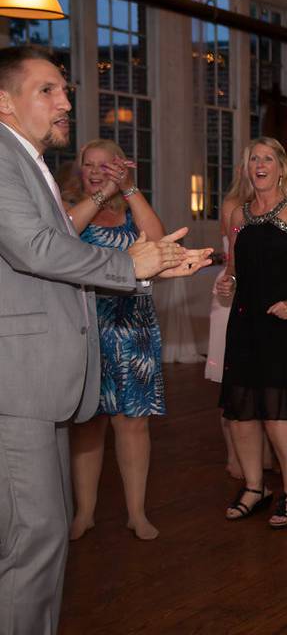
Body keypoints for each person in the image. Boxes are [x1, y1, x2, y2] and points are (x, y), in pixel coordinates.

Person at [0, 46, 210, 634]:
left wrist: (154, 264)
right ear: (4, 102)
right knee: (33, 537)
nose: (65, 100)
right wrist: (130, 268)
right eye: (47, 90)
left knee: (36, 536)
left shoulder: (27, 159)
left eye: (64, 89)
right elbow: (35, 248)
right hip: (19, 379)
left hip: (38, 376)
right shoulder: (1, 155)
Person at [61, 139, 167, 542]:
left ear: (120, 167)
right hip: (89, 328)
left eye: (104, 165)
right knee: (88, 424)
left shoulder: (128, 207)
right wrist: (104, 190)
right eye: (88, 164)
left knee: (133, 425)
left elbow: (156, 241)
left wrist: (129, 189)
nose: (93, 170)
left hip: (134, 327)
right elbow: (66, 232)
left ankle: (136, 513)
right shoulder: (68, 207)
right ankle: (84, 513)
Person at [215, 137, 287, 528]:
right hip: (246, 321)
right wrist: (226, 283)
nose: (259, 165)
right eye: (253, 159)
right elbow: (233, 269)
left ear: (282, 166)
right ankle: (254, 487)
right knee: (242, 413)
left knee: (280, 415)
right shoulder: (237, 214)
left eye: (267, 158)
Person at [205, 161, 245, 479]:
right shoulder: (233, 206)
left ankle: (256, 451)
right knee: (229, 381)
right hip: (230, 292)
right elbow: (232, 254)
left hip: (261, 295)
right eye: (253, 162)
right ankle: (233, 453)